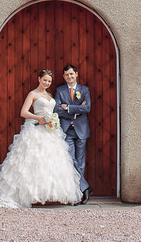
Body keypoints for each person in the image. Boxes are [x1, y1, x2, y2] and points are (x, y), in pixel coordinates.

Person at [0, 69, 83, 208]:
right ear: (39, 79)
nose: (47, 83)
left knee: (50, 162)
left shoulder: (49, 95)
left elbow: (53, 111)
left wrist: (53, 120)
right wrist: (39, 118)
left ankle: (45, 194)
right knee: (32, 161)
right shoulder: (33, 94)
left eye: (49, 81)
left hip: (50, 131)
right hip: (36, 129)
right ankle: (27, 195)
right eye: (45, 80)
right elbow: (24, 112)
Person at [55, 63, 92, 204]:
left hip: (81, 130)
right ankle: (85, 188)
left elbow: (87, 108)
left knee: (80, 162)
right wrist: (77, 109)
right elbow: (57, 110)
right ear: (63, 77)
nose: (69, 76)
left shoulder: (84, 90)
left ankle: (80, 192)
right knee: (71, 160)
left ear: (76, 74)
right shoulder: (60, 90)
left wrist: (69, 108)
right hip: (67, 131)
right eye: (66, 75)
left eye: (71, 74)